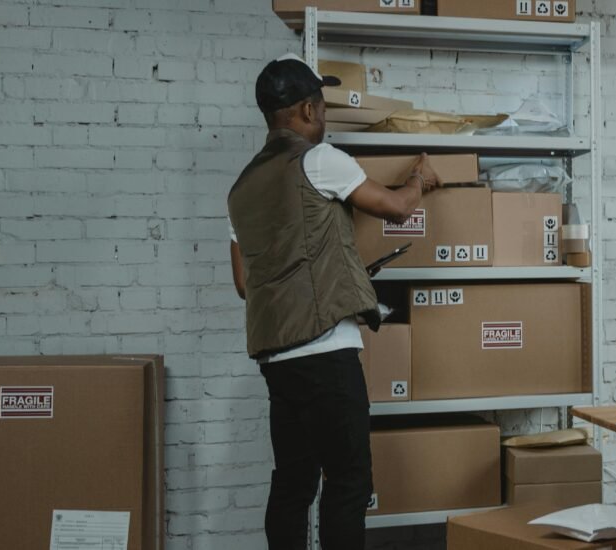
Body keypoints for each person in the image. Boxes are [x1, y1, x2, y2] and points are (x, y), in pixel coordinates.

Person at [227, 53, 439, 550]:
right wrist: (420, 181)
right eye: (321, 107)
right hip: (326, 353)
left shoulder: (240, 189)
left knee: (293, 484)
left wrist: (319, 271)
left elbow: (245, 283)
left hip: (277, 360)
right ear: (304, 111)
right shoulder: (319, 159)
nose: (324, 117)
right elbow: (394, 206)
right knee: (348, 483)